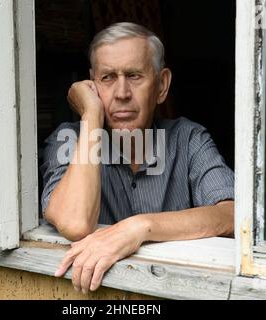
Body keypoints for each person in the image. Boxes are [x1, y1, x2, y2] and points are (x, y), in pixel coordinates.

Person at [40, 22, 234, 294]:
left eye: (134, 76)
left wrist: (138, 228)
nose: (121, 93)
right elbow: (75, 223)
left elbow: (233, 214)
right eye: (107, 78)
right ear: (91, 86)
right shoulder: (69, 140)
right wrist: (92, 115)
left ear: (161, 85)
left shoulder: (187, 139)